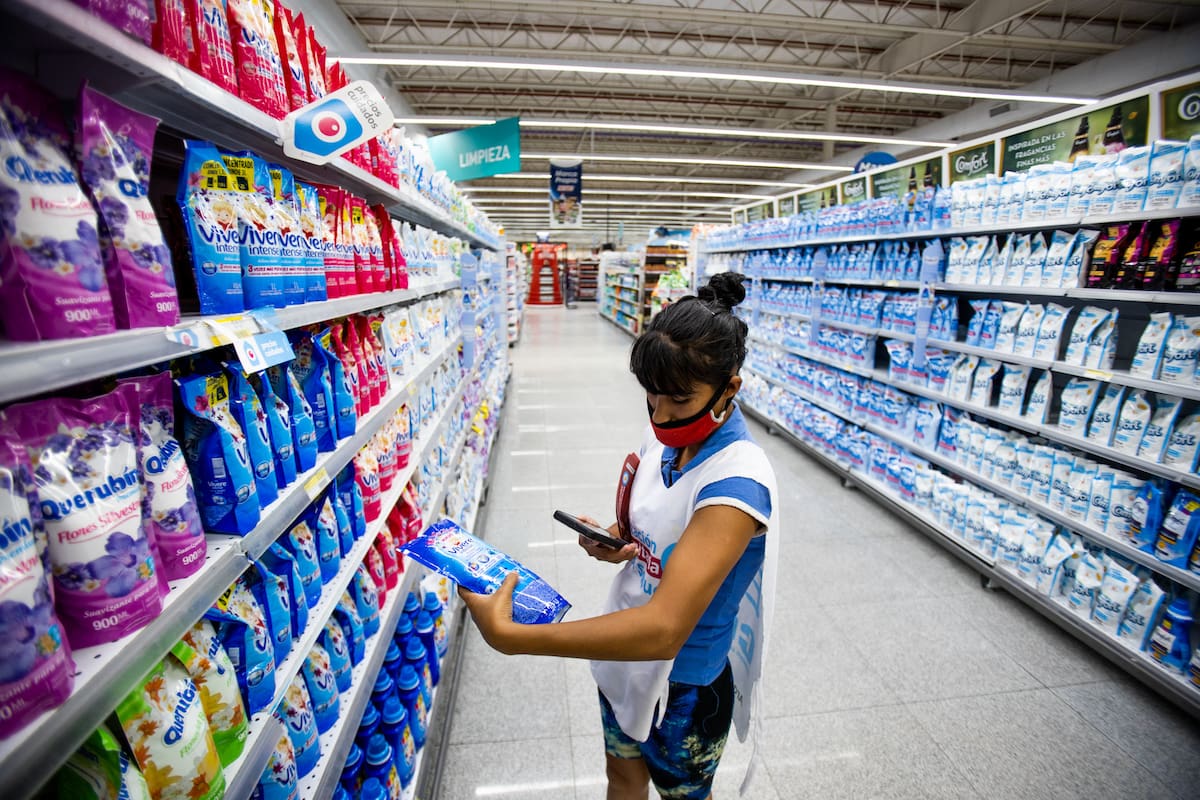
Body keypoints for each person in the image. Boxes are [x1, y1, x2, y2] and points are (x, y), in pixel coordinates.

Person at [459, 272, 778, 800]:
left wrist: (515, 639)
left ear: (730, 389)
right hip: (623, 661)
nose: (660, 417)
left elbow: (663, 630)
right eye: (651, 398)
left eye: (678, 401)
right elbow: (655, 534)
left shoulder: (738, 484)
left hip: (684, 690)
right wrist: (617, 543)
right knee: (622, 776)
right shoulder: (671, 441)